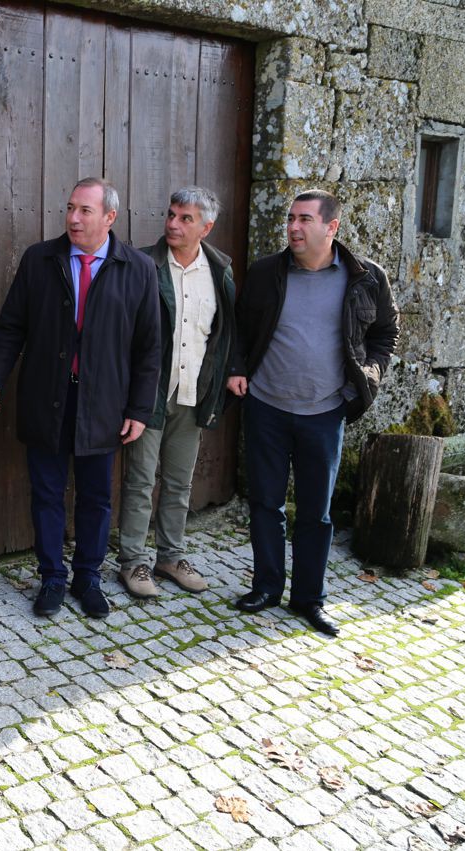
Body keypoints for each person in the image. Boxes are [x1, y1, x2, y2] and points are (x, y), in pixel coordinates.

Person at [0, 177, 161, 620]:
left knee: (96, 497)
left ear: (109, 218)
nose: (73, 218)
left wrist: (139, 409)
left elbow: (150, 346)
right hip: (47, 398)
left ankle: (88, 577)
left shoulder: (136, 268)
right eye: (71, 208)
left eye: (85, 211)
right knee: (47, 492)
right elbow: (11, 327)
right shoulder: (41, 259)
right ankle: (52, 578)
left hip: (105, 405)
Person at [227, 189, 398, 637]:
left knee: (315, 513)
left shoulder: (366, 278)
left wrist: (365, 381)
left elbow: (386, 334)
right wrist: (237, 370)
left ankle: (309, 599)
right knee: (265, 503)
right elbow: (238, 329)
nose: (294, 228)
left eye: (304, 219)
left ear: (332, 227)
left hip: (325, 412)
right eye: (290, 219)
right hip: (266, 406)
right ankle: (266, 586)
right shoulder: (267, 272)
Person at [117, 187, 236, 599]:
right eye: (171, 215)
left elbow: (224, 335)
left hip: (192, 393)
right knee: (139, 480)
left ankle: (170, 556)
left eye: (185, 219)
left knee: (179, 482)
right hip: (149, 395)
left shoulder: (220, 270)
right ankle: (133, 562)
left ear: (207, 227)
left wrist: (221, 384)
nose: (173, 224)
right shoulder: (144, 265)